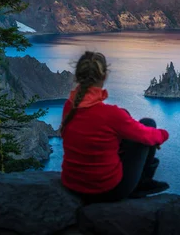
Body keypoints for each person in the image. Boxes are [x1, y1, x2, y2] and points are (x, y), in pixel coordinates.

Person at [60, 51, 169, 203]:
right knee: (148, 125)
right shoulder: (111, 115)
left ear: (78, 76)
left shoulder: (69, 107)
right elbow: (148, 136)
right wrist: (163, 134)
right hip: (106, 191)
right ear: (104, 77)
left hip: (72, 184)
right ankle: (141, 183)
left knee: (126, 122)